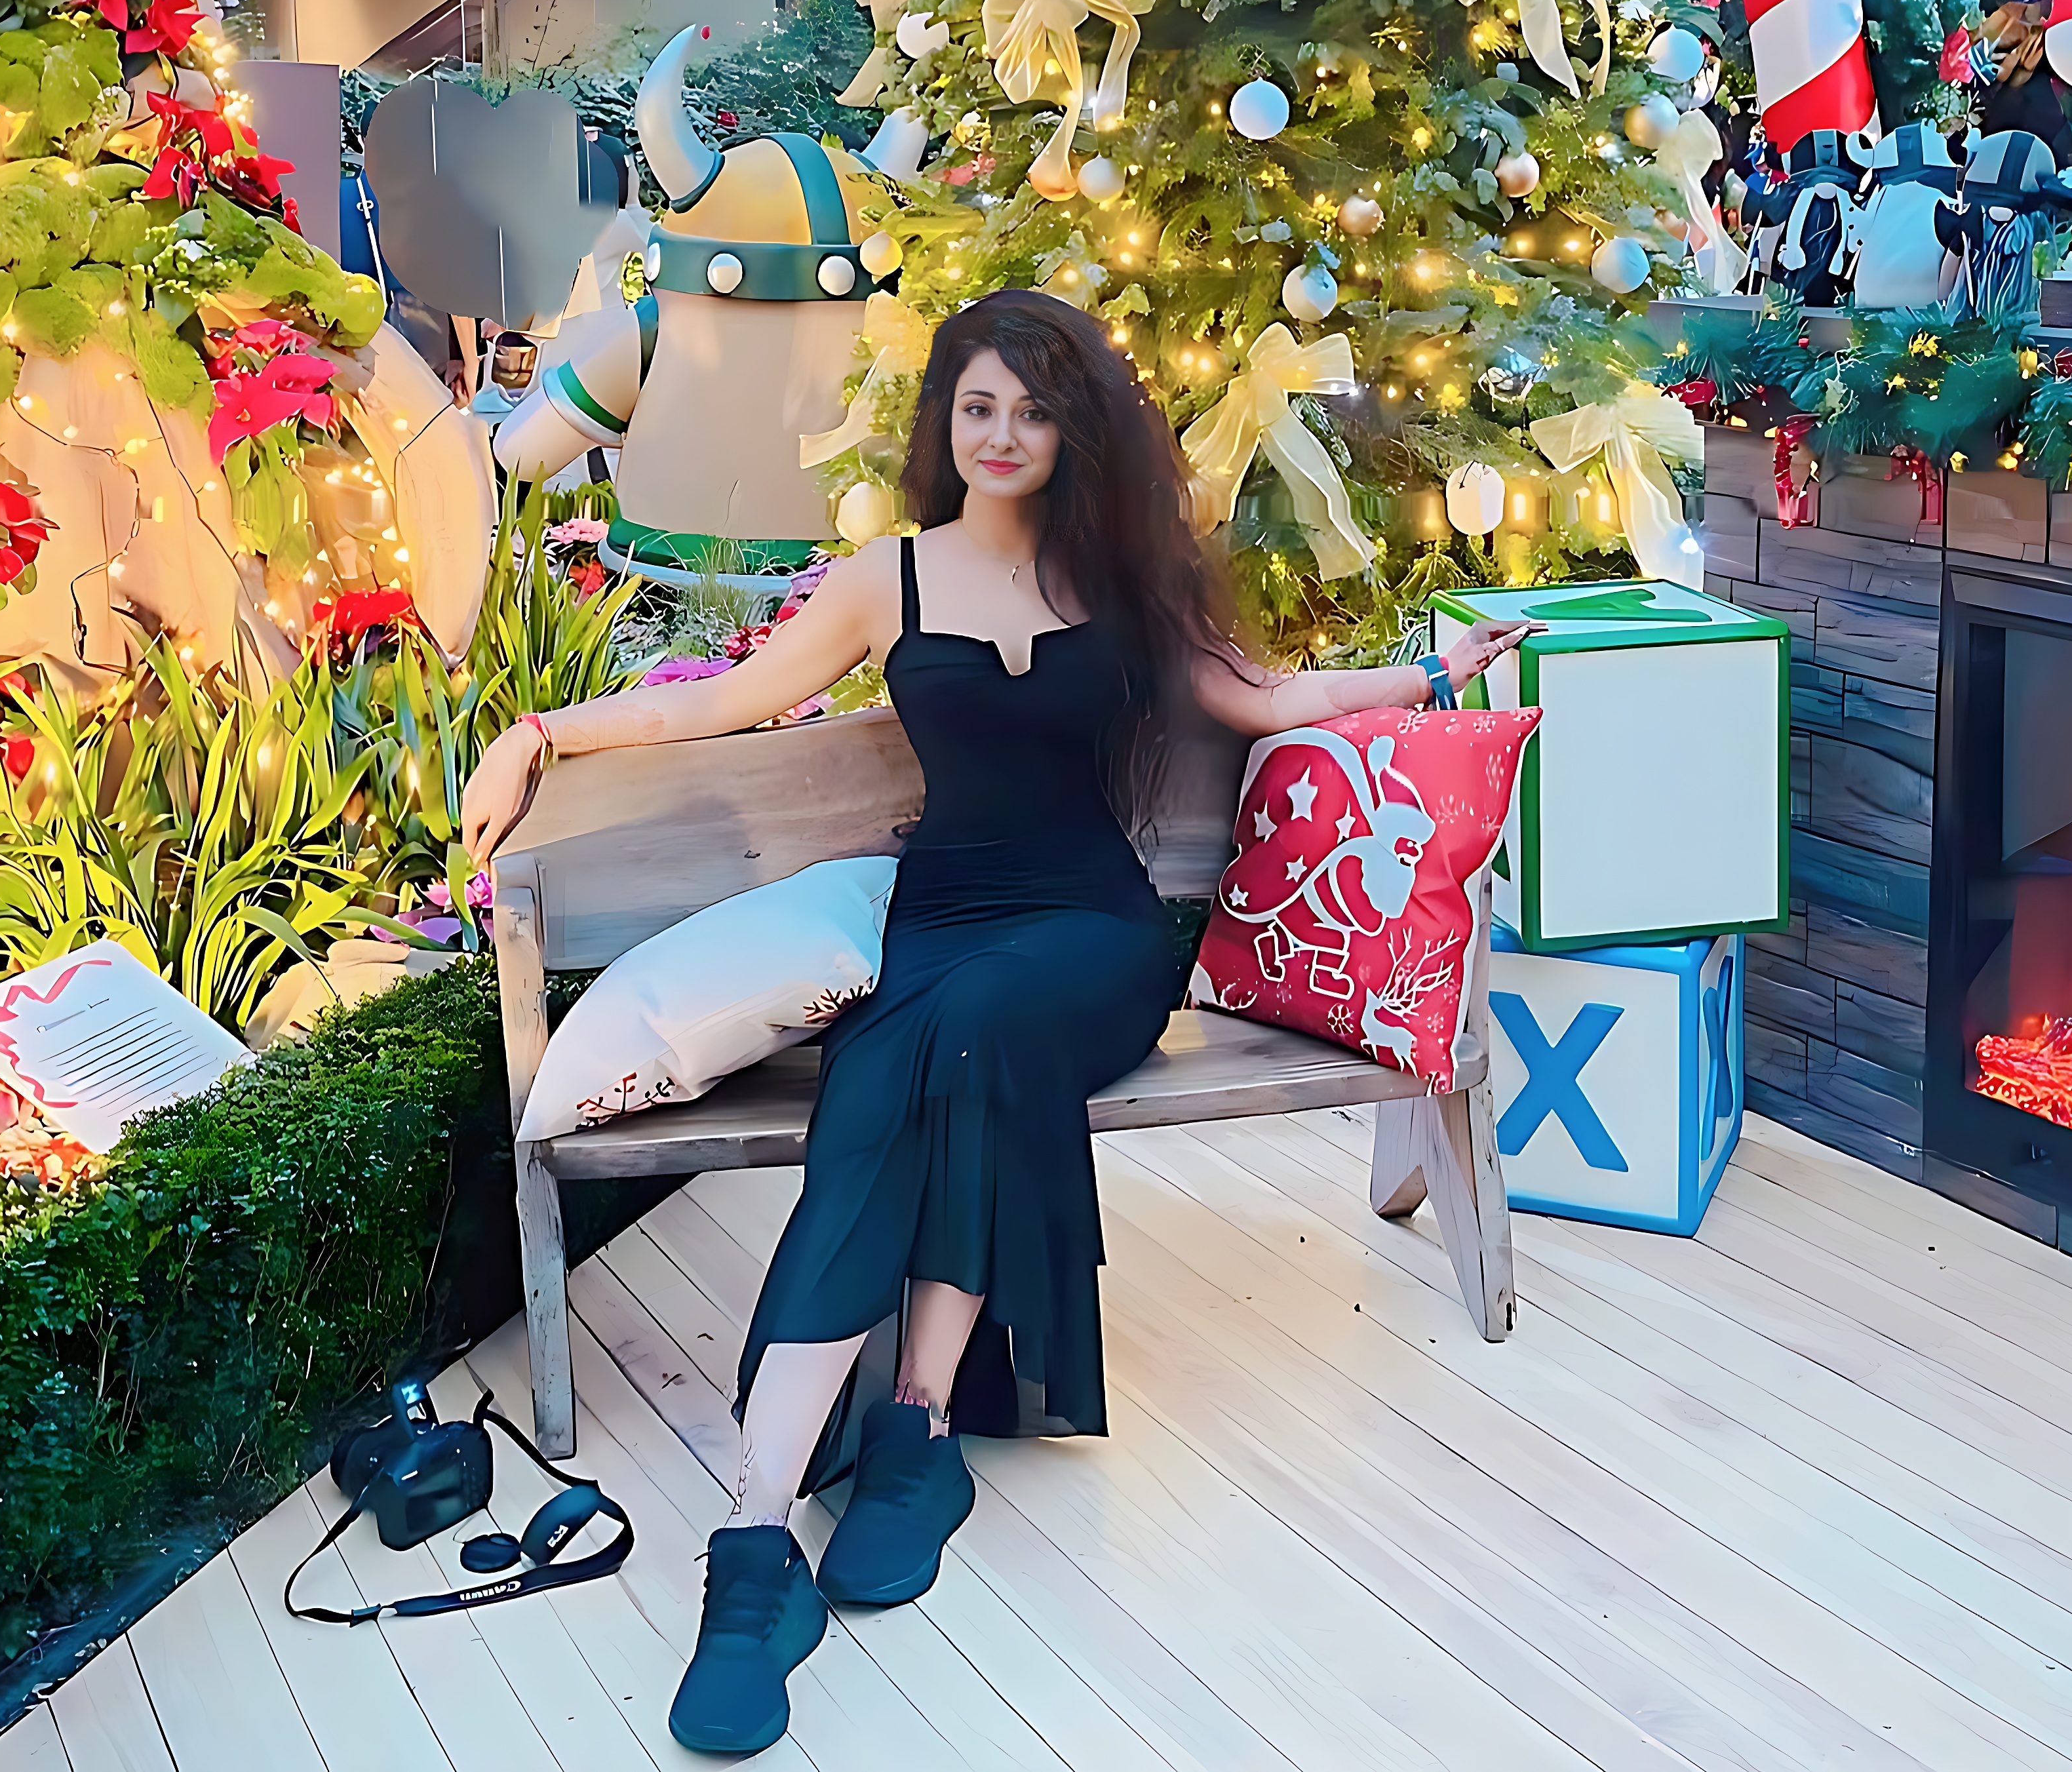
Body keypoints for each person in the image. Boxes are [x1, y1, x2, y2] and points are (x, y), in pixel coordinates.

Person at [459, 289, 1535, 1756]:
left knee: (947, 1036)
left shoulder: (1123, 579)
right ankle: (760, 1535)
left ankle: (915, 1423)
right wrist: (537, 733)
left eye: (1032, 410)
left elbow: (1267, 697)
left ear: (1071, 428)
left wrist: (1433, 676)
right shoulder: (883, 580)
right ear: (945, 423)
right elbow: (722, 702)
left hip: (1093, 935)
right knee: (889, 1072)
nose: (1004, 434)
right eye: (979, 407)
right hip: (946, 922)